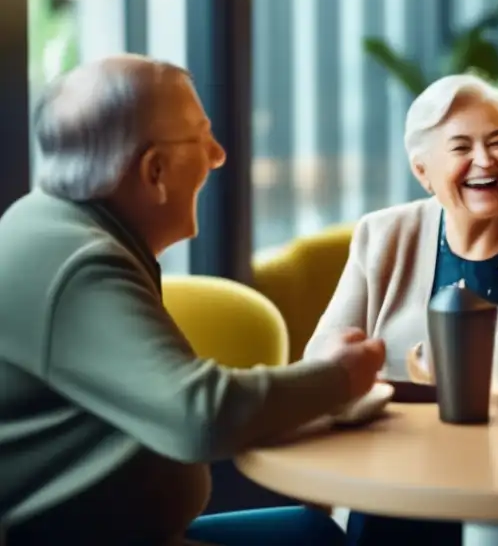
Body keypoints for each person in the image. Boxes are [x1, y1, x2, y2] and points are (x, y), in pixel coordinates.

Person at [0, 56, 386, 546]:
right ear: (154, 170)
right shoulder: (81, 265)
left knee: (316, 534)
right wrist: (341, 377)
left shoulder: (57, 226)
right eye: (202, 137)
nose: (219, 154)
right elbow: (198, 417)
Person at [304, 73, 498, 546]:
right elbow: (322, 355)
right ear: (423, 171)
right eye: (461, 147)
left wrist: (495, 374)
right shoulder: (381, 236)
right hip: (403, 471)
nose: (485, 161)